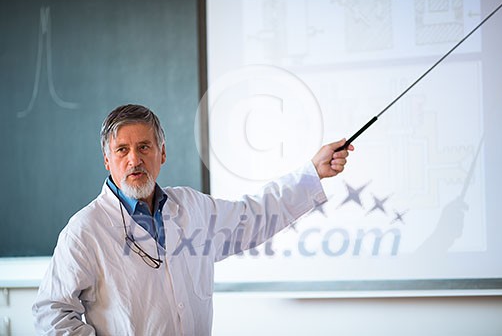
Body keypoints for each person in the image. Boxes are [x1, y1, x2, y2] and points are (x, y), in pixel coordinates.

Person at [32, 104, 354, 335]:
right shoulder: (85, 230)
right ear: (107, 160)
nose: (134, 159)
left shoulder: (191, 208)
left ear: (162, 153)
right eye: (122, 150)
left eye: (144, 146)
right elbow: (52, 314)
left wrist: (312, 172)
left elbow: (255, 216)